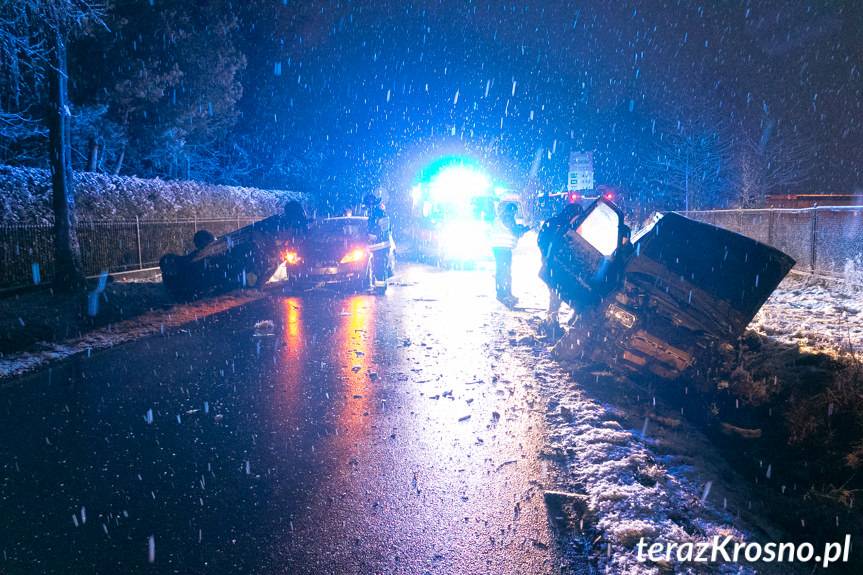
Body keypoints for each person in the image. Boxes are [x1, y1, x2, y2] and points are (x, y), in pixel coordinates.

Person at [537, 203, 583, 329]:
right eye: (577, 215)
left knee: (559, 292)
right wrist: (549, 256)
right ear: (572, 214)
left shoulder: (557, 223)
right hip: (555, 263)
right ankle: (552, 322)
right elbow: (545, 241)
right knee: (555, 292)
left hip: (559, 263)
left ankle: (557, 319)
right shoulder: (560, 225)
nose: (578, 218)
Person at [491, 201, 529, 307]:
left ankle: (502, 293)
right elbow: (515, 231)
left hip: (498, 248)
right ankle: (505, 294)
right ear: (512, 210)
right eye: (515, 211)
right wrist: (526, 228)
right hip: (503, 248)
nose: (515, 214)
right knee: (505, 272)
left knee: (501, 271)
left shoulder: (500, 217)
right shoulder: (508, 217)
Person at [363, 193, 393, 291]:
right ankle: (379, 287)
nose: (367, 207)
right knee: (379, 268)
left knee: (379, 268)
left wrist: (373, 235)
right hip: (381, 245)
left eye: (367, 205)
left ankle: (380, 289)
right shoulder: (379, 212)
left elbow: (380, 229)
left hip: (381, 245)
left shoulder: (378, 213)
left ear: (371, 204)